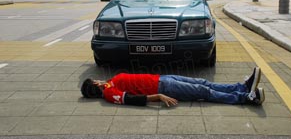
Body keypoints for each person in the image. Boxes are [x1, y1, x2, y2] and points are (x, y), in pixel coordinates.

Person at [81, 67, 264, 107]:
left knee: (203, 83)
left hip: (162, 77)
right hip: (164, 87)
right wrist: (159, 96)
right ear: (94, 85)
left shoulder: (109, 83)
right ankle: (246, 98)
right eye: (95, 81)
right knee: (204, 92)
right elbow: (133, 99)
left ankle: (241, 87)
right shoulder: (109, 94)